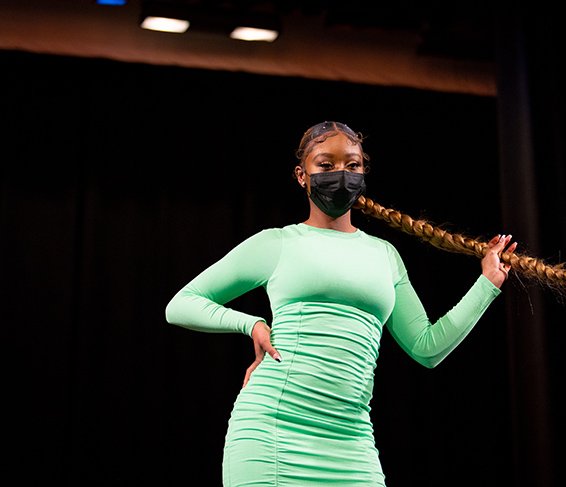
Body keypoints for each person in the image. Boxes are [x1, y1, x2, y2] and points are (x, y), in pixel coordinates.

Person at [165, 121, 518, 486]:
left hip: (351, 440)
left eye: (352, 165)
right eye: (326, 165)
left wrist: (487, 283)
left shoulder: (384, 254)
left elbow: (427, 348)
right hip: (273, 433)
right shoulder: (278, 242)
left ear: (363, 173)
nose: (340, 174)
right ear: (302, 176)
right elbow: (181, 305)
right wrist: (251, 323)